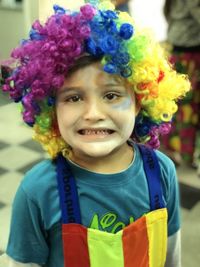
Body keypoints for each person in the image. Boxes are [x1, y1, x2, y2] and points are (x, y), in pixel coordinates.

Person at [0, 0, 190, 266]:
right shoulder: (38, 191)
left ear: (138, 102)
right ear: (52, 110)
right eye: (74, 97)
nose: (93, 113)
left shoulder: (161, 172)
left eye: (111, 95)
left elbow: (171, 256)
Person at [162, 0, 200, 172]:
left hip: (180, 52)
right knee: (186, 107)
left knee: (178, 104)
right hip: (188, 55)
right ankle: (182, 152)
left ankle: (176, 150)